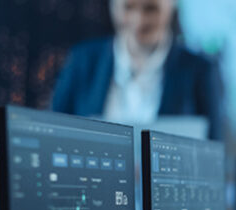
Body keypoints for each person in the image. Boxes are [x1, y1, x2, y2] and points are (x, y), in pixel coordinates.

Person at [51, 0, 223, 140]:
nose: (138, 20)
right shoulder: (82, 61)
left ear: (172, 4)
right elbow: (54, 132)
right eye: (128, 7)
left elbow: (216, 155)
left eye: (151, 8)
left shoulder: (200, 70)